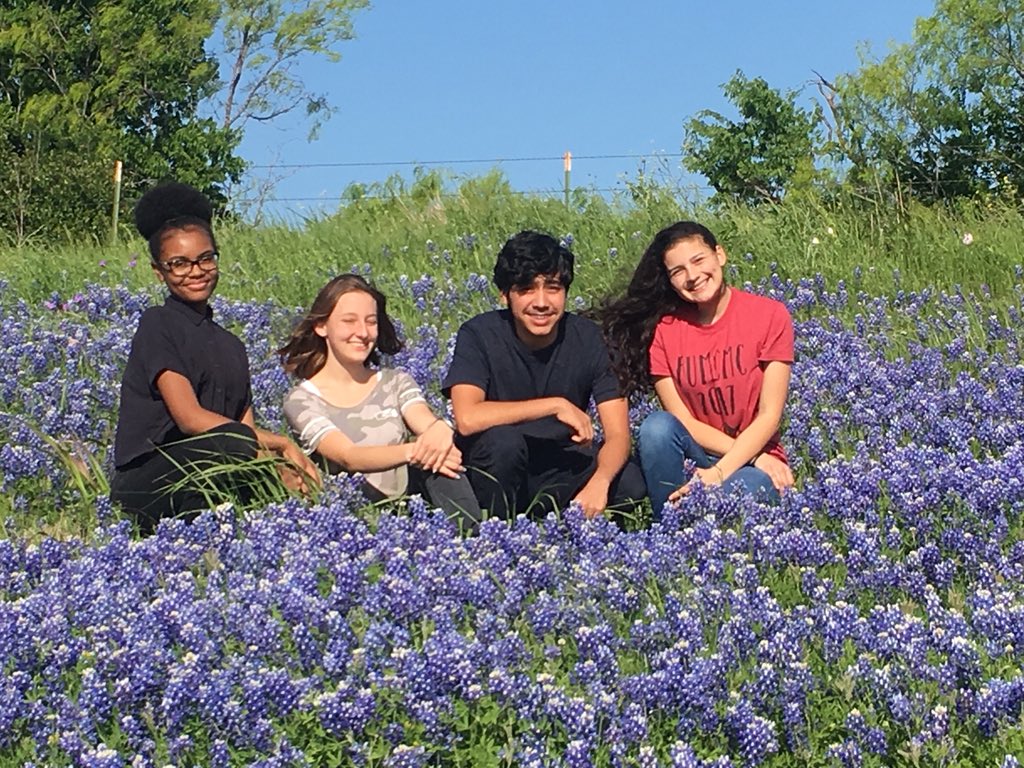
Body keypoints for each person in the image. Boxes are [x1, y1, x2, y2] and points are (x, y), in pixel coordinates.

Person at [110, 182, 318, 532]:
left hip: (214, 468)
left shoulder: (232, 344)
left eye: (206, 258)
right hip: (150, 479)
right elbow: (190, 419)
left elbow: (245, 429)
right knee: (235, 444)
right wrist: (281, 444)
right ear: (158, 271)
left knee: (258, 464)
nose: (195, 271)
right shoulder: (157, 324)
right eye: (178, 264)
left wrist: (282, 467)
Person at [442, 230, 646, 520]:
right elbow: (467, 418)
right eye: (526, 289)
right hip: (497, 463)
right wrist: (555, 405)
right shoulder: (478, 334)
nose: (541, 302)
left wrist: (599, 483)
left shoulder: (592, 338)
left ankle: (565, 530)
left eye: (552, 288)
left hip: (558, 462)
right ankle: (497, 530)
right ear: (504, 295)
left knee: (630, 481)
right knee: (505, 444)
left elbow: (618, 436)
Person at [597, 221, 795, 516]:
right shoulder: (663, 330)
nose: (692, 276)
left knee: (748, 489)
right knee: (655, 427)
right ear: (669, 280)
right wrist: (720, 470)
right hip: (697, 456)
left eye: (699, 260)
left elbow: (769, 415)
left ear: (720, 255)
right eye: (678, 271)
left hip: (754, 462)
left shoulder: (769, 315)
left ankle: (690, 522)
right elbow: (681, 420)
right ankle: (670, 525)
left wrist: (731, 469)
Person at [279, 274, 482, 531]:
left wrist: (441, 428)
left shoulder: (395, 381)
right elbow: (348, 456)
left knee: (441, 459)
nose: (362, 333)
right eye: (349, 321)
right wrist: (416, 452)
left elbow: (425, 423)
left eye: (371, 322)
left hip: (407, 507)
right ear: (321, 326)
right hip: (349, 518)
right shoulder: (302, 399)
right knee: (433, 453)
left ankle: (472, 536)